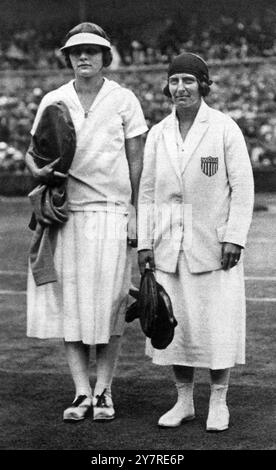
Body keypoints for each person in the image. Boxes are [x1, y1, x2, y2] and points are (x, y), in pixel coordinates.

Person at [25, 22, 148, 422]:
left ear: (104, 56)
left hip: (112, 213)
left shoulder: (124, 99)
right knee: (73, 309)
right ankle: (81, 393)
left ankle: (105, 391)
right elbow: (33, 153)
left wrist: (135, 213)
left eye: (92, 51)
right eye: (76, 51)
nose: (83, 57)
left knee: (111, 306)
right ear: (68, 57)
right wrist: (40, 174)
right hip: (66, 215)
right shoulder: (54, 99)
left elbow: (136, 163)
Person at [138, 52, 254, 432]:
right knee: (176, 326)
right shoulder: (158, 133)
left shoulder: (224, 128)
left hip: (213, 246)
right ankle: (184, 401)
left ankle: (218, 401)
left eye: (188, 80)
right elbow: (148, 193)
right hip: (169, 245)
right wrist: (145, 243)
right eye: (174, 81)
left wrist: (234, 237)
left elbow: (243, 188)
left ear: (203, 85)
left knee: (216, 325)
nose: (180, 88)